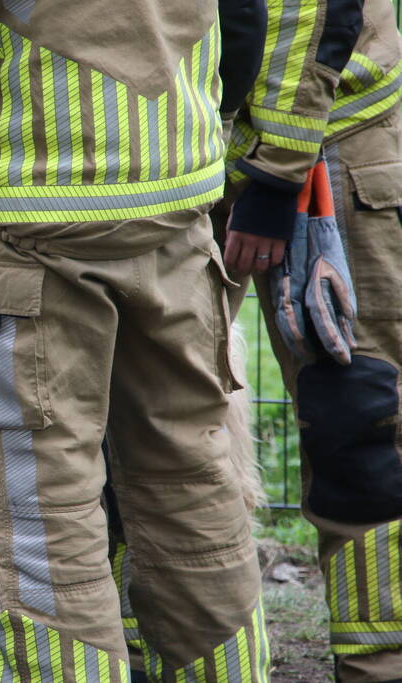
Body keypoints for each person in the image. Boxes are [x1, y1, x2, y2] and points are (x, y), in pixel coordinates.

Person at [0, 0, 271, 680]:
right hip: (175, 213)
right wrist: (201, 134)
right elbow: (242, 19)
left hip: (38, 228)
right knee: (193, 479)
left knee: (46, 504)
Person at [213, 1, 402, 680]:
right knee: (141, 415)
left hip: (331, 139)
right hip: (168, 154)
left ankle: (378, 664)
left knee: (356, 415)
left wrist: (273, 177)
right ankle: (152, 651)